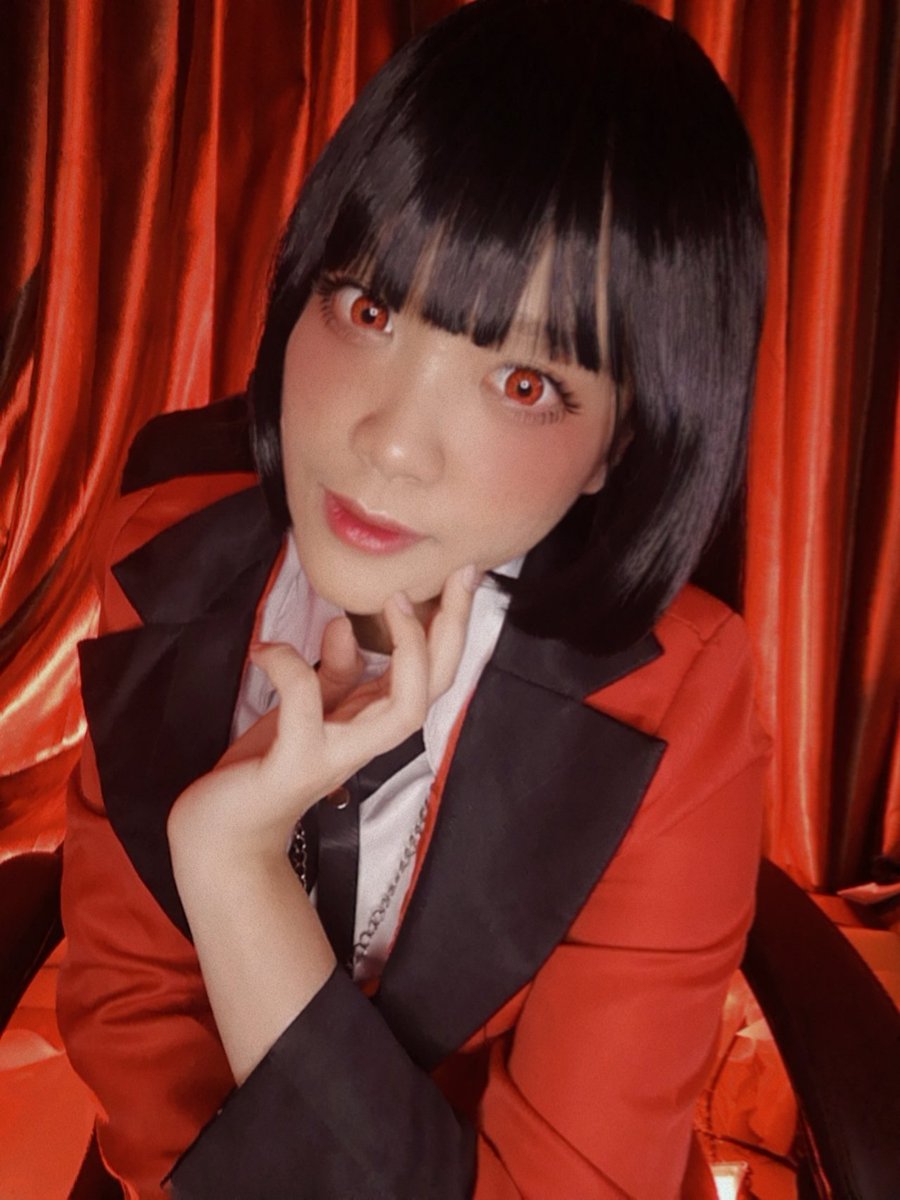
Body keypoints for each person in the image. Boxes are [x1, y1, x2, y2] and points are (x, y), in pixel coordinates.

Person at [57, 0, 770, 1196]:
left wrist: (235, 868)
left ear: (620, 441)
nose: (387, 443)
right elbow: (131, 1017)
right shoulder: (162, 559)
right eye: (370, 310)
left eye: (524, 380)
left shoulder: (678, 697)